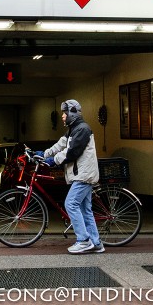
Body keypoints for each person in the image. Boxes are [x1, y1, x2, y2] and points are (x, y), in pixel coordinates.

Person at [37, 99, 102, 254]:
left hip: (83, 175)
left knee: (70, 204)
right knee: (85, 210)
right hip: (83, 174)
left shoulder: (82, 129)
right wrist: (43, 154)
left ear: (72, 112)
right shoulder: (74, 129)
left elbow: (72, 152)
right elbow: (61, 144)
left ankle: (83, 240)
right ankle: (96, 243)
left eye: (64, 113)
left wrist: (54, 160)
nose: (63, 117)